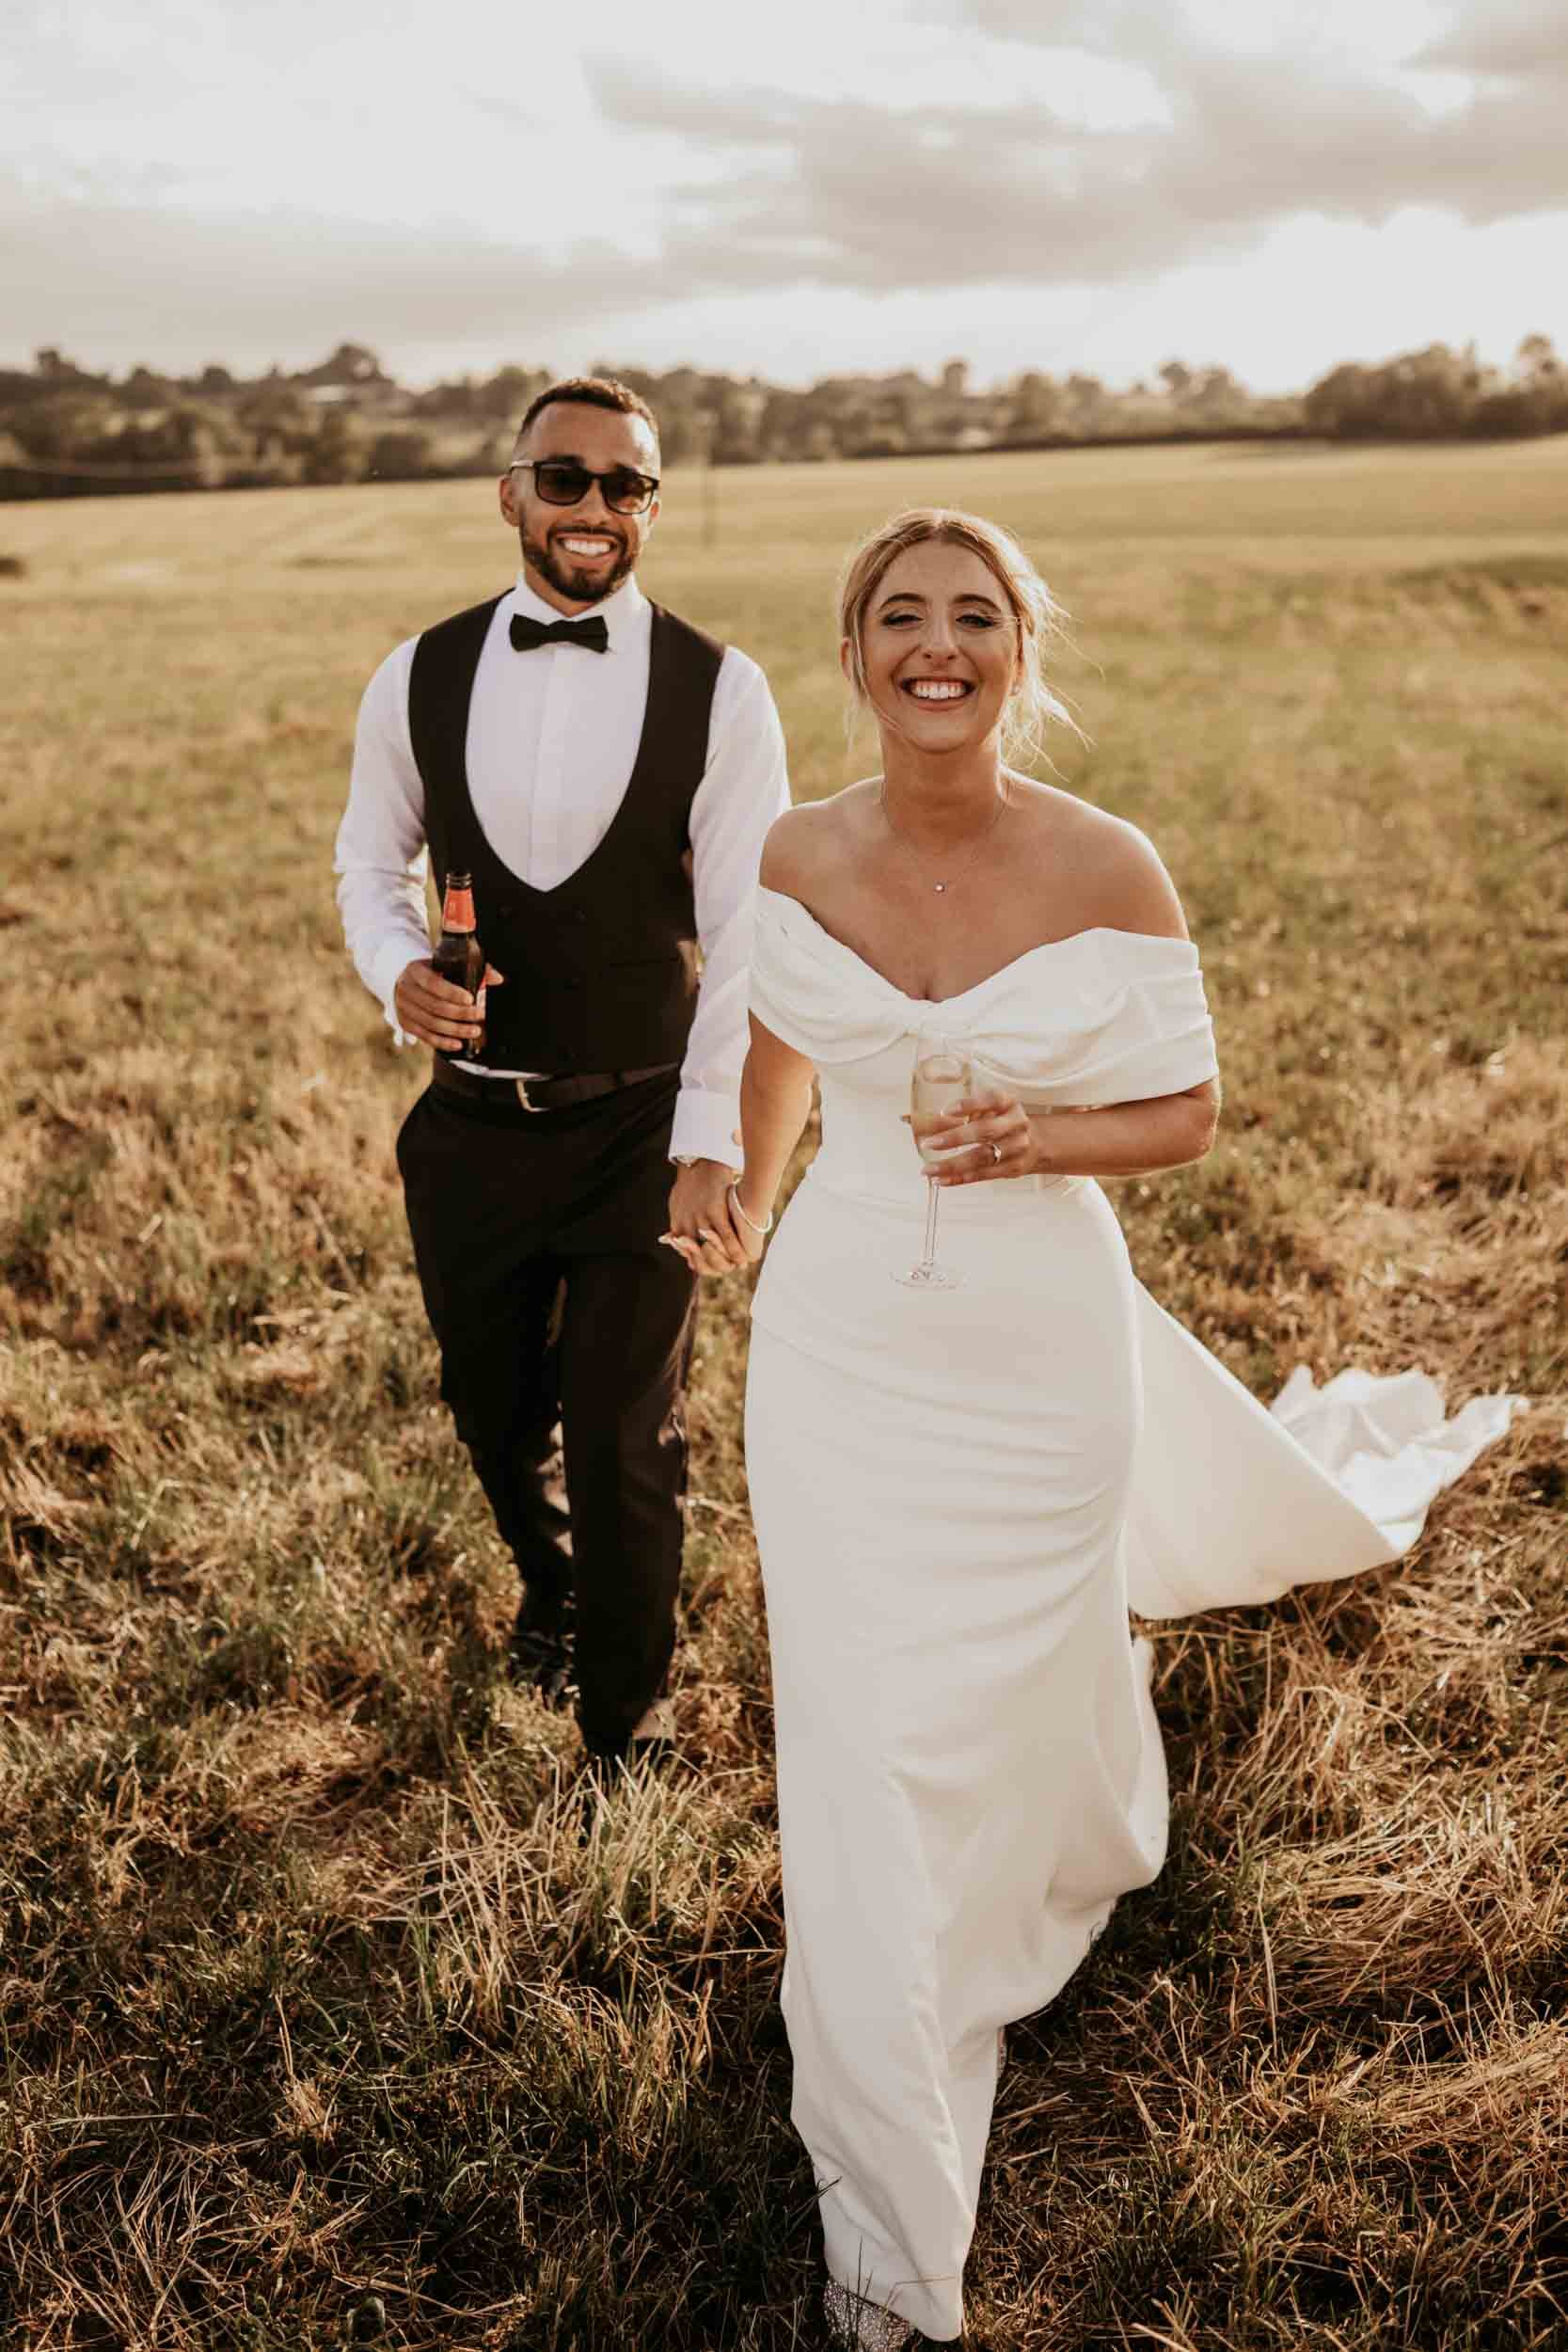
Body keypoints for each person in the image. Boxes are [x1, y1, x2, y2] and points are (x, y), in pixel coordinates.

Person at [673, 508, 1518, 2351]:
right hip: (834, 1341)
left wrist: (1042, 1139)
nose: (937, 643)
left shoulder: (1110, 861)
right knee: (851, 1698)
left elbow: (1192, 1107)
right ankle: (884, 2093)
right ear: (855, 648)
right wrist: (725, 1173)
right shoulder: (793, 848)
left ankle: (1053, 1838)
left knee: (1016, 1663)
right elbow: (779, 1054)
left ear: (1019, 648)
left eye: (974, 615)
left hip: (1040, 1346)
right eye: (902, 614)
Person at [336, 376, 789, 1773]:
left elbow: (750, 938)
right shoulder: (418, 670)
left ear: (650, 504)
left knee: (624, 1431)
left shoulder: (724, 690)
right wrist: (395, 967)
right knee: (492, 1410)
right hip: (471, 1130)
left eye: (626, 485)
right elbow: (368, 862)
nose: (596, 508)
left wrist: (713, 1140)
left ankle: (627, 1720)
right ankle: (550, 1581)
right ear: (511, 491)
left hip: (641, 1125)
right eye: (568, 478)